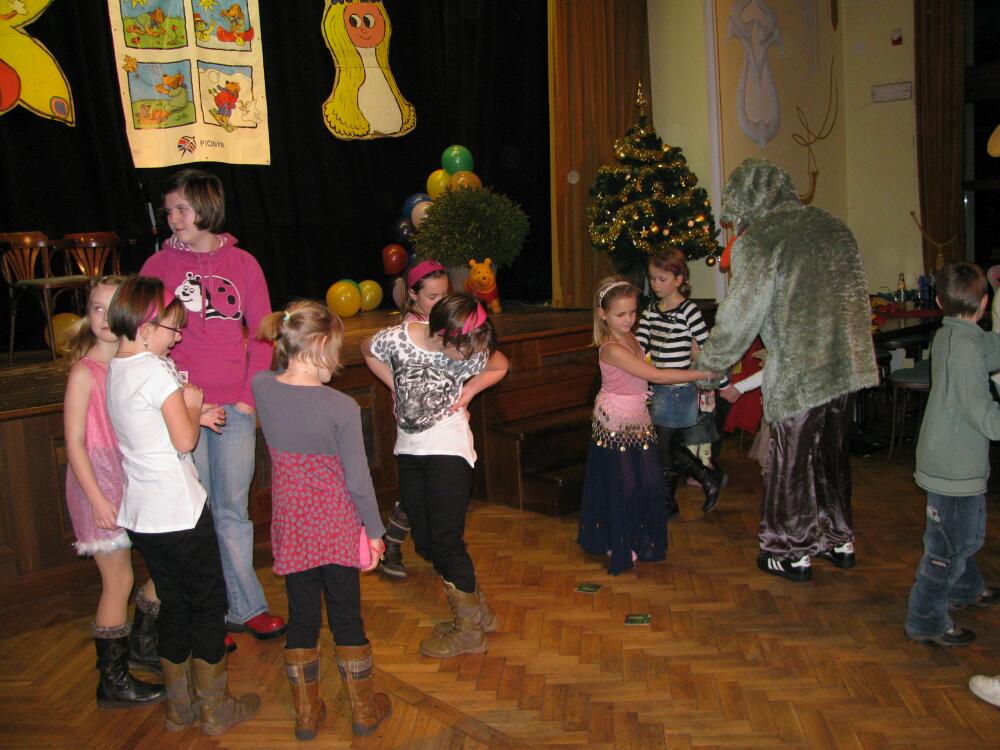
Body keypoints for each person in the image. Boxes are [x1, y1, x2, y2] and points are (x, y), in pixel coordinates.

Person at [694, 159, 878, 582]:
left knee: (790, 463)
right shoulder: (833, 227)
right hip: (844, 365)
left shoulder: (760, 240)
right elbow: (857, 299)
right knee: (831, 456)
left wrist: (708, 366)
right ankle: (838, 539)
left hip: (798, 371)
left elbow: (741, 317)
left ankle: (789, 551)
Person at [106, 276, 259, 735]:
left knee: (173, 603)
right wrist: (193, 408)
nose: (176, 339)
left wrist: (195, 411)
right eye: (172, 329)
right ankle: (216, 709)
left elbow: (152, 427)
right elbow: (185, 441)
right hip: (179, 510)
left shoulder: (117, 367)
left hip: (143, 513)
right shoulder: (155, 371)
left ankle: (180, 709)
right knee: (208, 604)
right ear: (145, 327)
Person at [140, 168, 286, 641]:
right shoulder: (157, 266)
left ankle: (245, 608)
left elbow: (263, 335)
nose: (173, 219)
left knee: (232, 512)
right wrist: (173, 400)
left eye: (182, 209)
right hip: (181, 411)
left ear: (207, 208)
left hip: (234, 411)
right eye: (169, 211)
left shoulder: (243, 263)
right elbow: (143, 340)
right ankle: (207, 615)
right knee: (196, 515)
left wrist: (247, 397)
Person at [253, 300, 391, 740]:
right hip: (336, 525)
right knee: (347, 616)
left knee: (302, 617)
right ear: (321, 346)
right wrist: (375, 532)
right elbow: (358, 480)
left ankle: (308, 716)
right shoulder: (341, 407)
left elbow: (268, 370)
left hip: (293, 525)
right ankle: (363, 710)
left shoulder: (262, 387)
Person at [363, 294, 508, 658]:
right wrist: (395, 384)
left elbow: (500, 364)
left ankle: (469, 632)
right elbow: (368, 350)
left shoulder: (472, 344)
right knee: (426, 541)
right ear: (442, 335)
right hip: (410, 449)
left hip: (449, 446)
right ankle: (479, 613)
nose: (472, 357)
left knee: (445, 540)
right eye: (465, 351)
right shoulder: (397, 339)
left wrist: (469, 391)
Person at [63, 275, 166, 710]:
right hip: (100, 484)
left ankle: (142, 644)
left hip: (133, 479)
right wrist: (97, 500)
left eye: (113, 307)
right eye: (96, 308)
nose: (105, 318)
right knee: (119, 580)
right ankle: (113, 679)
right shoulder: (84, 372)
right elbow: (74, 444)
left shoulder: (131, 365)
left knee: (167, 565)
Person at [578, 278, 713, 576]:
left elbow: (653, 360)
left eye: (632, 312)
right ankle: (617, 541)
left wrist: (693, 351)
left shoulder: (631, 337)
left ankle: (634, 536)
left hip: (638, 416)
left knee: (648, 481)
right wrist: (700, 374)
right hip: (616, 421)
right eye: (620, 314)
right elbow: (656, 375)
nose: (629, 319)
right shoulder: (611, 348)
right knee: (624, 484)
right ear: (602, 314)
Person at [904, 262, 1000, 646]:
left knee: (961, 535)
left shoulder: (950, 334)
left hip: (947, 458)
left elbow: (987, 349)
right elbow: (984, 415)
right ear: (984, 303)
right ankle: (926, 620)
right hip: (954, 468)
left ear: (940, 302)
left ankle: (967, 588)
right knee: (947, 549)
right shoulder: (962, 349)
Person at [635, 248, 727, 519]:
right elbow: (639, 347)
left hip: (679, 391)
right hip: (659, 389)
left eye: (662, 279)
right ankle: (707, 479)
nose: (656, 284)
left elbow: (706, 347)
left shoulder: (689, 311)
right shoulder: (651, 312)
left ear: (679, 279)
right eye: (652, 278)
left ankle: (669, 502)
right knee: (667, 445)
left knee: (662, 445)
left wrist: (718, 379)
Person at [380, 259, 451, 579]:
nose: (441, 301)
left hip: (444, 417)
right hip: (417, 420)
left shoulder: (443, 320)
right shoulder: (409, 330)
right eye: (433, 296)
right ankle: (391, 544)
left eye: (445, 294)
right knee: (421, 489)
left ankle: (399, 543)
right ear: (413, 295)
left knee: (428, 489)